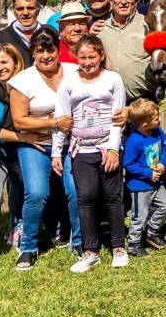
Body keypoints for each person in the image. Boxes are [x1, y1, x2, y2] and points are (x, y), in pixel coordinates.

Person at [8, 27, 82, 270]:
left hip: (70, 144)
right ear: (33, 53)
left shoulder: (74, 72)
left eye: (50, 49)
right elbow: (19, 121)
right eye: (40, 51)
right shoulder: (22, 80)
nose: (46, 56)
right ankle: (28, 246)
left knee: (75, 190)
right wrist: (53, 122)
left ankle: (79, 239)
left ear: (58, 50)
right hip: (36, 144)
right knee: (37, 193)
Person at [53, 35, 128, 272]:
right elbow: (62, 119)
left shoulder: (113, 79)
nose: (87, 62)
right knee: (85, 199)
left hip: (108, 146)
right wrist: (57, 152)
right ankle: (91, 251)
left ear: (101, 55)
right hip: (81, 149)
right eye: (82, 57)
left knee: (113, 198)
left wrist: (114, 149)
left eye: (92, 57)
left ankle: (118, 247)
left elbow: (118, 119)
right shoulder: (68, 83)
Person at [0, 44, 47, 267]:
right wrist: (23, 137)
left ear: (16, 63)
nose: (0, 67)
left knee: (23, 190)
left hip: (20, 151)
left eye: (5, 62)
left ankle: (22, 231)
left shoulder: (28, 85)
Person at [123, 98, 166, 258]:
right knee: (139, 216)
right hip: (140, 186)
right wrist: (148, 173)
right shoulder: (134, 141)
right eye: (156, 118)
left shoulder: (158, 132)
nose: (160, 119)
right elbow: (128, 164)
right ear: (145, 124)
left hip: (157, 184)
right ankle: (133, 245)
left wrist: (164, 164)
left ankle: (151, 231)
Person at [97, 0, 158, 104]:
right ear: (111, 0)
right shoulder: (100, 28)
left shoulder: (148, 25)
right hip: (109, 103)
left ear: (136, 1)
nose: (123, 2)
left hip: (143, 102)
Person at [0, 0, 45, 67]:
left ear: (38, 11)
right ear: (14, 12)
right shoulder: (1, 38)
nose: (25, 13)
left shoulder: (51, 33)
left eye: (30, 8)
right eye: (20, 9)